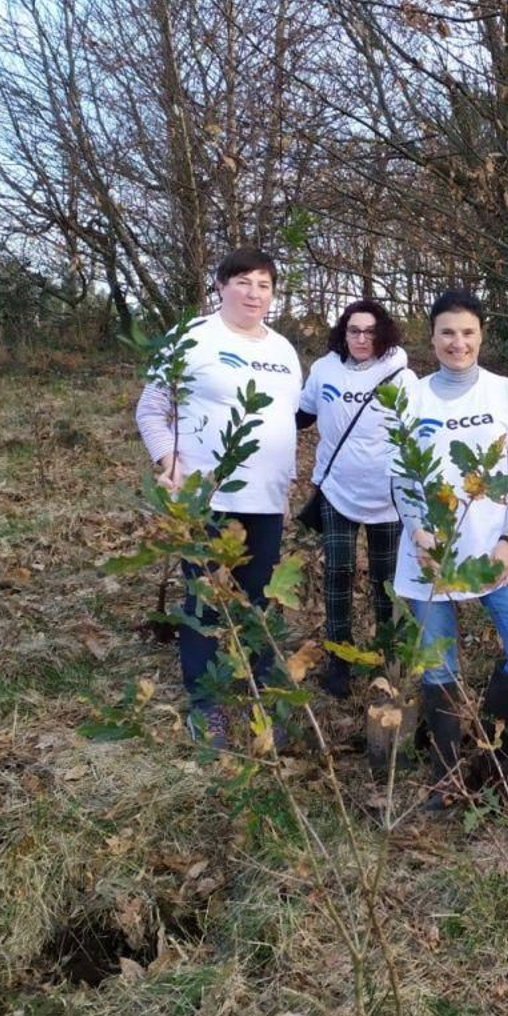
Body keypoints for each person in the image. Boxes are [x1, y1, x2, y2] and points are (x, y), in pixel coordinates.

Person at [134, 247, 303, 745]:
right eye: (243, 282)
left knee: (260, 601)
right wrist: (170, 465)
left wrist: (286, 485)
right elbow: (151, 410)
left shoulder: (284, 350)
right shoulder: (191, 338)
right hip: (208, 498)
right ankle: (206, 704)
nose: (254, 293)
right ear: (221, 286)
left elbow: (284, 422)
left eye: (264, 285)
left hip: (266, 501)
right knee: (206, 600)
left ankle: (261, 697)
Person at [391, 289, 508, 809]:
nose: (457, 343)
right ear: (432, 337)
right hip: (429, 555)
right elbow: (400, 478)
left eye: (467, 332)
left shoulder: (506, 392)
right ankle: (446, 774)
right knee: (439, 668)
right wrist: (418, 531)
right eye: (447, 333)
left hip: (494, 550)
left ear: (482, 335)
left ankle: (494, 752)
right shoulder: (411, 397)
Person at [296, 300, 417, 698]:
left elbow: (420, 433)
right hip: (337, 491)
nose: (362, 338)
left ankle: (387, 656)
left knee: (387, 581)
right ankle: (339, 660)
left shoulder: (401, 376)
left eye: (370, 331)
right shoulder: (324, 369)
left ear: (383, 334)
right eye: (354, 330)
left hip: (387, 495)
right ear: (343, 333)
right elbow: (300, 415)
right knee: (338, 572)